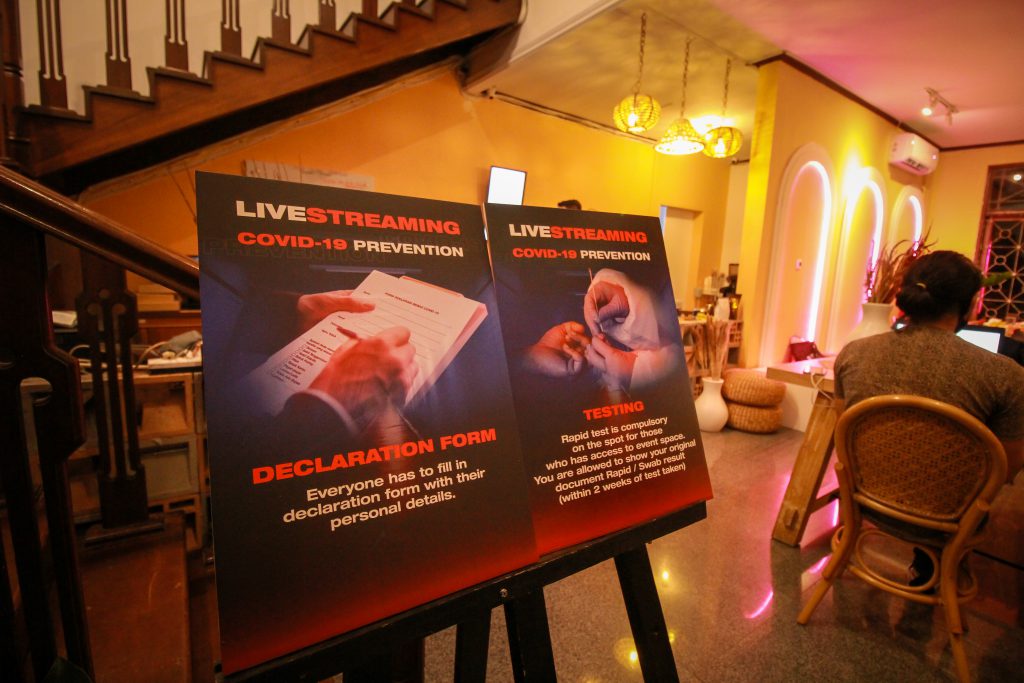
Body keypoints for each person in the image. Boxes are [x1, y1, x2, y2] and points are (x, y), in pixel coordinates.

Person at [834, 250, 1024, 584]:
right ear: (969, 305)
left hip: (865, 502)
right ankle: (936, 575)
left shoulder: (854, 354)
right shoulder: (1006, 377)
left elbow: (843, 433)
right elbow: (1006, 469)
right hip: (952, 518)